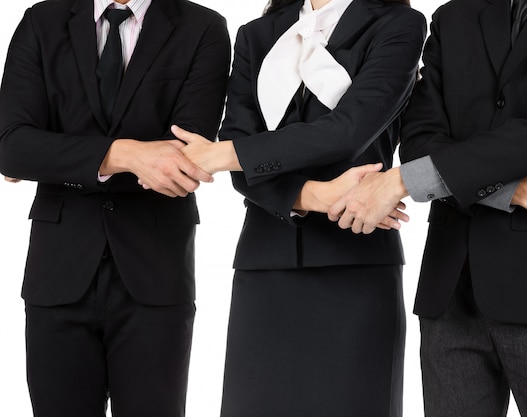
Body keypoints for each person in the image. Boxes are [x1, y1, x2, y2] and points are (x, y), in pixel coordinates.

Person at [328, 0, 527, 415]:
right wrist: (523, 193)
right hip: (449, 290)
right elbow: (420, 140)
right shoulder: (453, 16)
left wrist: (401, 180)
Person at [166, 0, 425, 415]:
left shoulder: (399, 24)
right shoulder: (256, 33)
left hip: (354, 262)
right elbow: (240, 159)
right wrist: (312, 196)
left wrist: (229, 153)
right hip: (266, 262)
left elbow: (348, 131)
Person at [0, 0, 230, 415]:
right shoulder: (42, 20)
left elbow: (185, 157)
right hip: (59, 270)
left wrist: (55, 150)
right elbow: (12, 147)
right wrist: (124, 153)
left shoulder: (203, 26)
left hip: (155, 272)